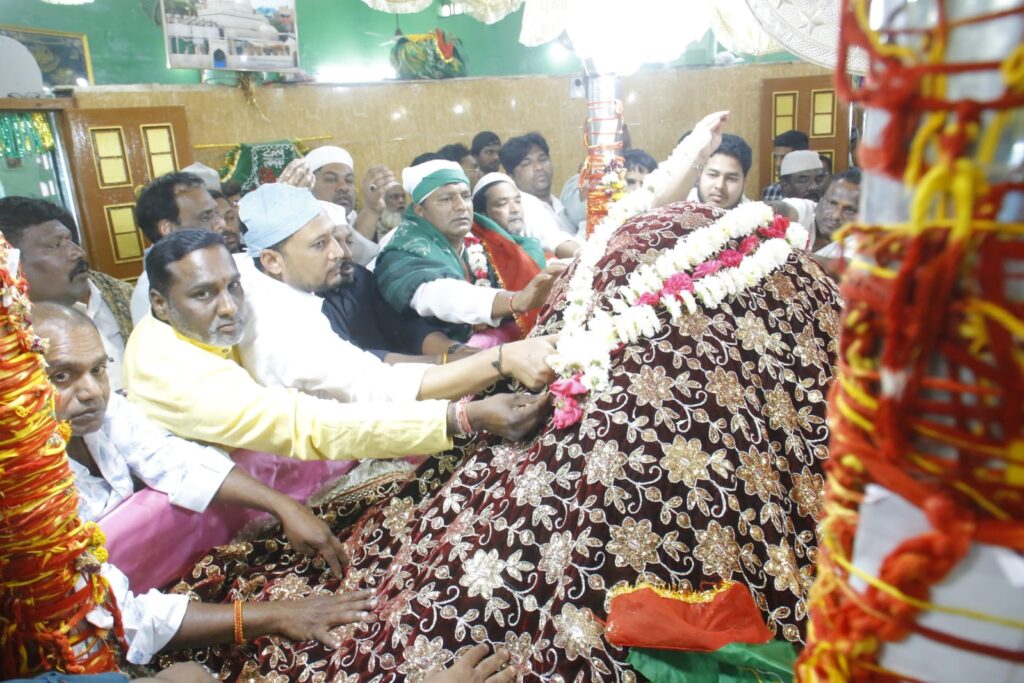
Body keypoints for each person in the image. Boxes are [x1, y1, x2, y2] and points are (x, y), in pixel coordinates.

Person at [161, 159, 842, 682]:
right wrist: (478, 391)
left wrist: (502, 334)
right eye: (323, 242)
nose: (342, 250)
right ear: (272, 259)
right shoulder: (300, 310)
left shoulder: (302, 292)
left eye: (339, 236)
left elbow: (369, 362)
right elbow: (361, 392)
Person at [123, 229, 551, 462]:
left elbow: (362, 370)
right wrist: (464, 416)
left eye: (232, 287)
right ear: (159, 304)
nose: (229, 307)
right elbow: (309, 425)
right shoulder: (175, 372)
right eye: (203, 295)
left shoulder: (257, 292)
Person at [34, 302, 348, 572]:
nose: (91, 391)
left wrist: (284, 506)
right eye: (61, 376)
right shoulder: (22, 486)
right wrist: (278, 615)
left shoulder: (109, 410)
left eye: (98, 369)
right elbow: (113, 609)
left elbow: (173, 460)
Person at [374, 160, 559, 345]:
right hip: (442, 357)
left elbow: (523, 255)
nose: (461, 206)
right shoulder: (402, 251)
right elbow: (440, 296)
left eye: (465, 196)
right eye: (446, 199)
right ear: (419, 210)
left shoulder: (485, 238)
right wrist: (516, 301)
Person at [0, 196, 134, 392]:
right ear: (11, 264)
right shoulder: (8, 342)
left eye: (70, 240)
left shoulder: (120, 296)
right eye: (55, 245)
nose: (77, 253)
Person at [317, 201, 467, 361]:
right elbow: (351, 362)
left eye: (349, 242)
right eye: (333, 243)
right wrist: (441, 361)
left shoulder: (359, 277)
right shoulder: (305, 302)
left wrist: (455, 350)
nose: (346, 253)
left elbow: (402, 325)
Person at [130, 171, 227, 324]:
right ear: (168, 229)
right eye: (205, 216)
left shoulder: (229, 264)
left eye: (217, 213)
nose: (221, 224)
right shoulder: (151, 292)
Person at [301, 145, 394, 266]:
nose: (343, 187)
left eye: (349, 180)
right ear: (309, 186)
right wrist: (371, 210)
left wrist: (373, 209)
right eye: (331, 179)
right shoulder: (300, 231)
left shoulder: (359, 220)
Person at [472, 172, 580, 258]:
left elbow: (555, 240)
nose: (515, 209)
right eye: (503, 203)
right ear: (482, 214)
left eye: (518, 201)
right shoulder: (474, 250)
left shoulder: (530, 233)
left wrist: (580, 255)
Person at [500, 133, 576, 235]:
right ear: (511, 176)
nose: (538, 167)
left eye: (543, 159)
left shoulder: (561, 204)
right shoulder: (521, 212)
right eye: (527, 164)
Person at [770, 150, 829, 234]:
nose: (814, 187)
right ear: (785, 186)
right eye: (803, 180)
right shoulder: (771, 227)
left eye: (819, 179)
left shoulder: (832, 218)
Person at [690, 133, 753, 210]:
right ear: (699, 175)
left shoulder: (755, 215)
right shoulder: (678, 206)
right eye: (712, 175)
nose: (720, 186)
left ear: (744, 182)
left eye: (731, 178)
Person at [761, 129, 809, 200]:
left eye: (784, 158)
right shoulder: (770, 191)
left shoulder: (815, 192)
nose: (778, 164)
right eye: (776, 158)